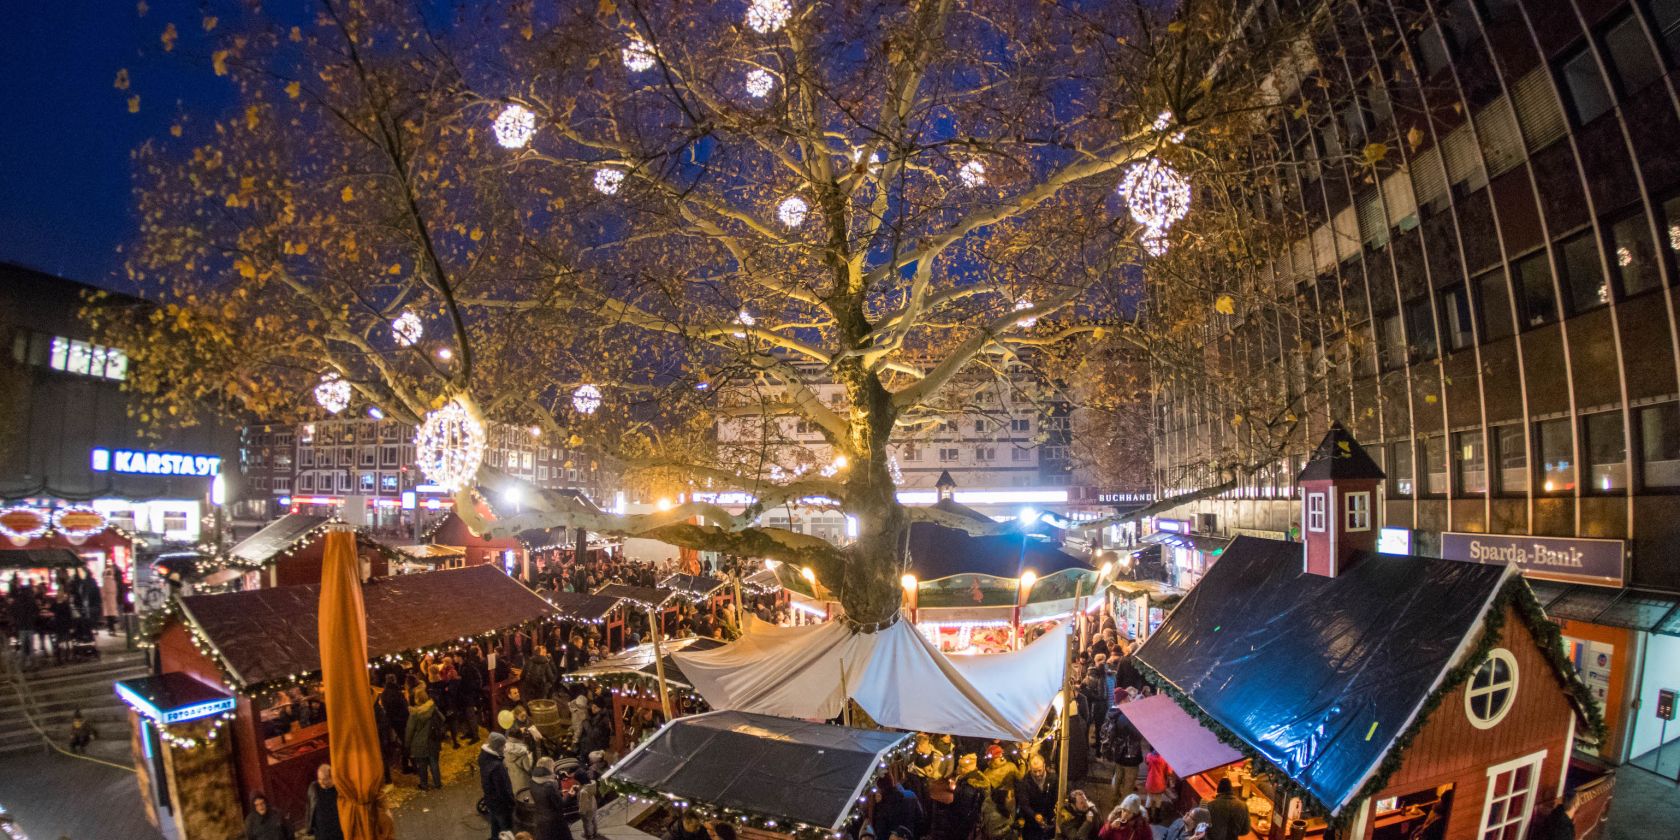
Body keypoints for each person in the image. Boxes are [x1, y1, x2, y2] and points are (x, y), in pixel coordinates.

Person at [480, 732, 518, 840]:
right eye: (503, 745)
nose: (504, 748)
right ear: (497, 747)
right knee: (507, 830)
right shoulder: (497, 767)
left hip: (490, 801)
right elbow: (503, 790)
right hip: (501, 805)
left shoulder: (483, 757)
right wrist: (511, 803)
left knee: (495, 824)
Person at [406, 686, 444, 790]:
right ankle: (438, 783)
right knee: (434, 763)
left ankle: (424, 784)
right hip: (433, 740)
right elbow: (442, 719)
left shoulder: (414, 714)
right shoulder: (433, 708)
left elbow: (409, 731)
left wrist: (407, 744)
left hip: (419, 743)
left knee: (422, 765)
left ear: (416, 699)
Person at [1016, 754, 1058, 840]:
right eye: (1034, 771)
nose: (1038, 774)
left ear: (1044, 766)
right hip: (1032, 824)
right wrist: (1034, 815)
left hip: (1050, 819)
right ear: (1030, 768)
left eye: (1039, 770)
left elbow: (1056, 798)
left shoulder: (1053, 778)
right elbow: (1024, 804)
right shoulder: (1025, 782)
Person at [529, 762, 573, 840]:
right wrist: (569, 794)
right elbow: (561, 804)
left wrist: (558, 793)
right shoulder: (549, 786)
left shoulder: (532, 783)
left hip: (541, 817)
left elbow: (543, 797)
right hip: (555, 820)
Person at [304, 763, 346, 840]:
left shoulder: (339, 789)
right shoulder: (314, 788)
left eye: (324, 779)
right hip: (321, 831)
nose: (321, 782)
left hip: (338, 830)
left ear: (332, 777)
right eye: (319, 779)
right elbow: (309, 807)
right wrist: (309, 826)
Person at [505, 730, 536, 802]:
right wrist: (530, 757)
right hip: (523, 778)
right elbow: (528, 767)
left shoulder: (505, 749)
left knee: (515, 793)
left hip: (511, 776)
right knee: (524, 795)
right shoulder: (522, 752)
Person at [1142, 746, 1171, 819]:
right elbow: (1169, 772)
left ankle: (1148, 817)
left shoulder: (1149, 755)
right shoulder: (1165, 758)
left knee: (1149, 798)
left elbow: (1147, 762)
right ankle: (1156, 817)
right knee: (1158, 800)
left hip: (1150, 782)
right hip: (1159, 783)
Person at [576, 767, 601, 840]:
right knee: (593, 819)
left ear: (580, 780)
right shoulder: (592, 784)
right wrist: (578, 787)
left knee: (587, 823)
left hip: (587, 809)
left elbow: (583, 803)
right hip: (593, 805)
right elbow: (585, 788)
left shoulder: (583, 792)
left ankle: (589, 835)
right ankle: (595, 832)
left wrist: (581, 812)